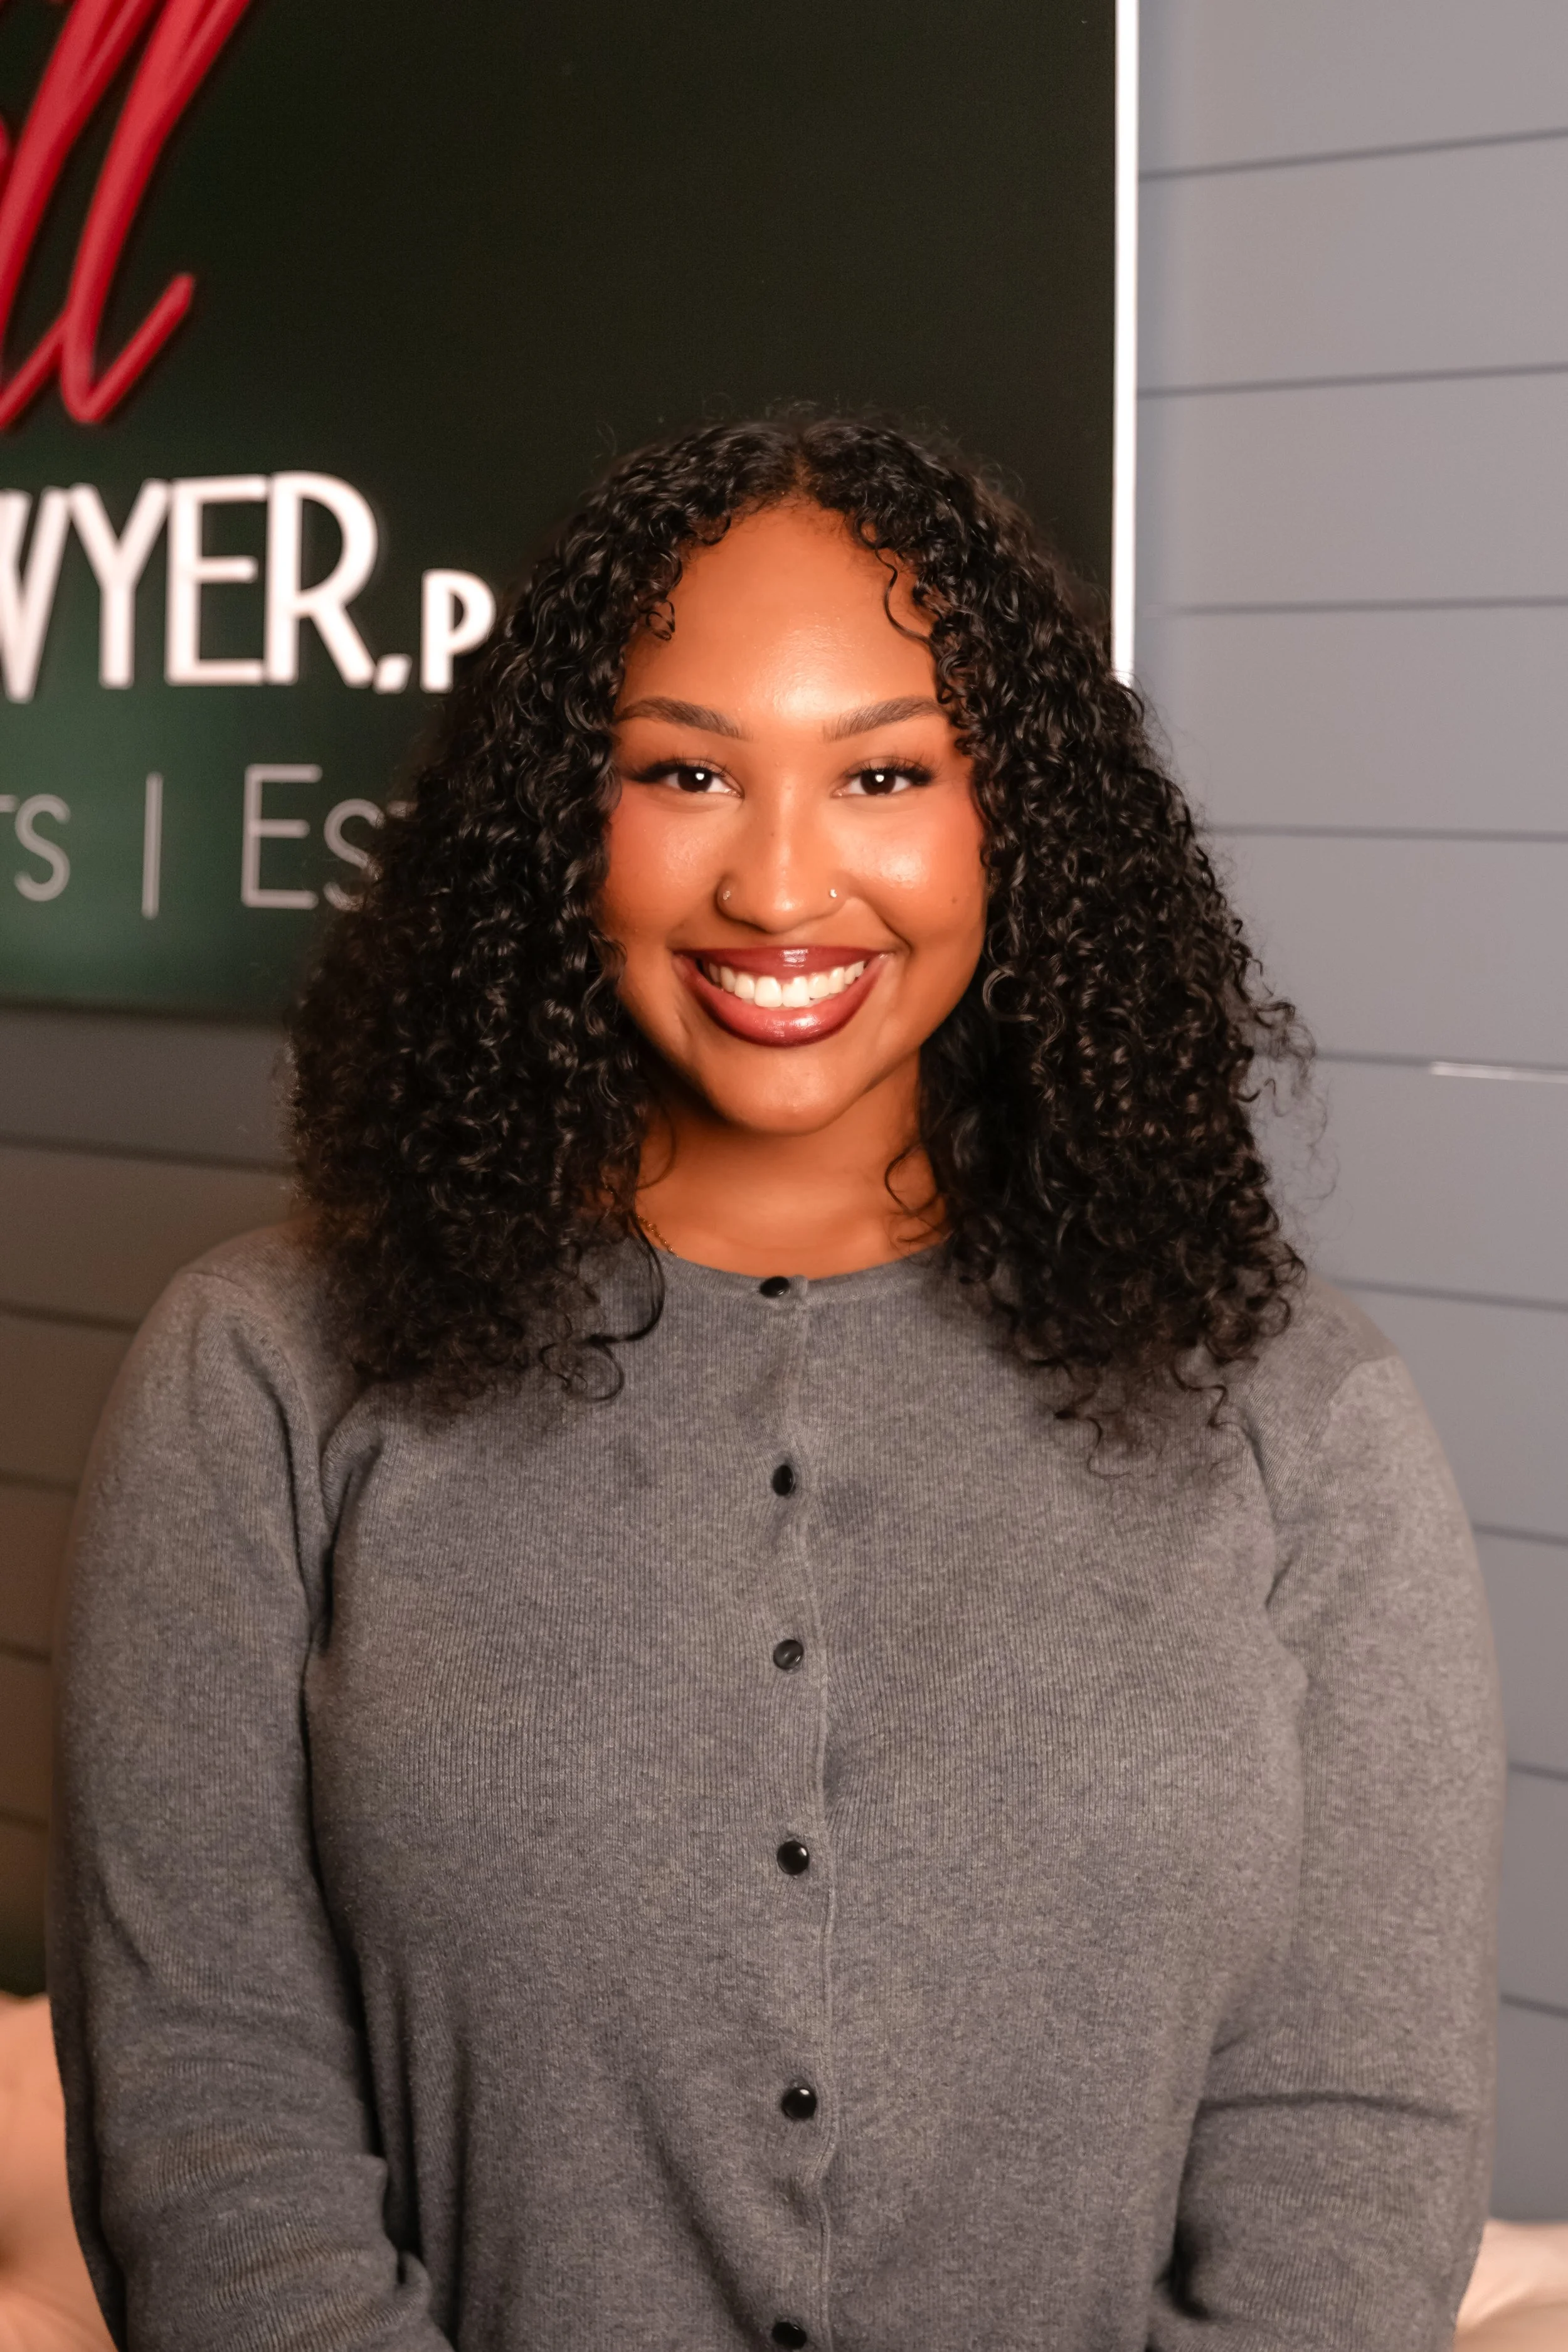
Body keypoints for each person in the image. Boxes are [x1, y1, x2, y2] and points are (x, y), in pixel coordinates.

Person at [50, 416, 1504, 2352]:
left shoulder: (1302, 1420)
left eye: (886, 770)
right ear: (567, 822)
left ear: (1016, 823)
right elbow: (213, 2120)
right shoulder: (262, 1374)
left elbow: (1350, 2141)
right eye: (684, 773)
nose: (782, 881)